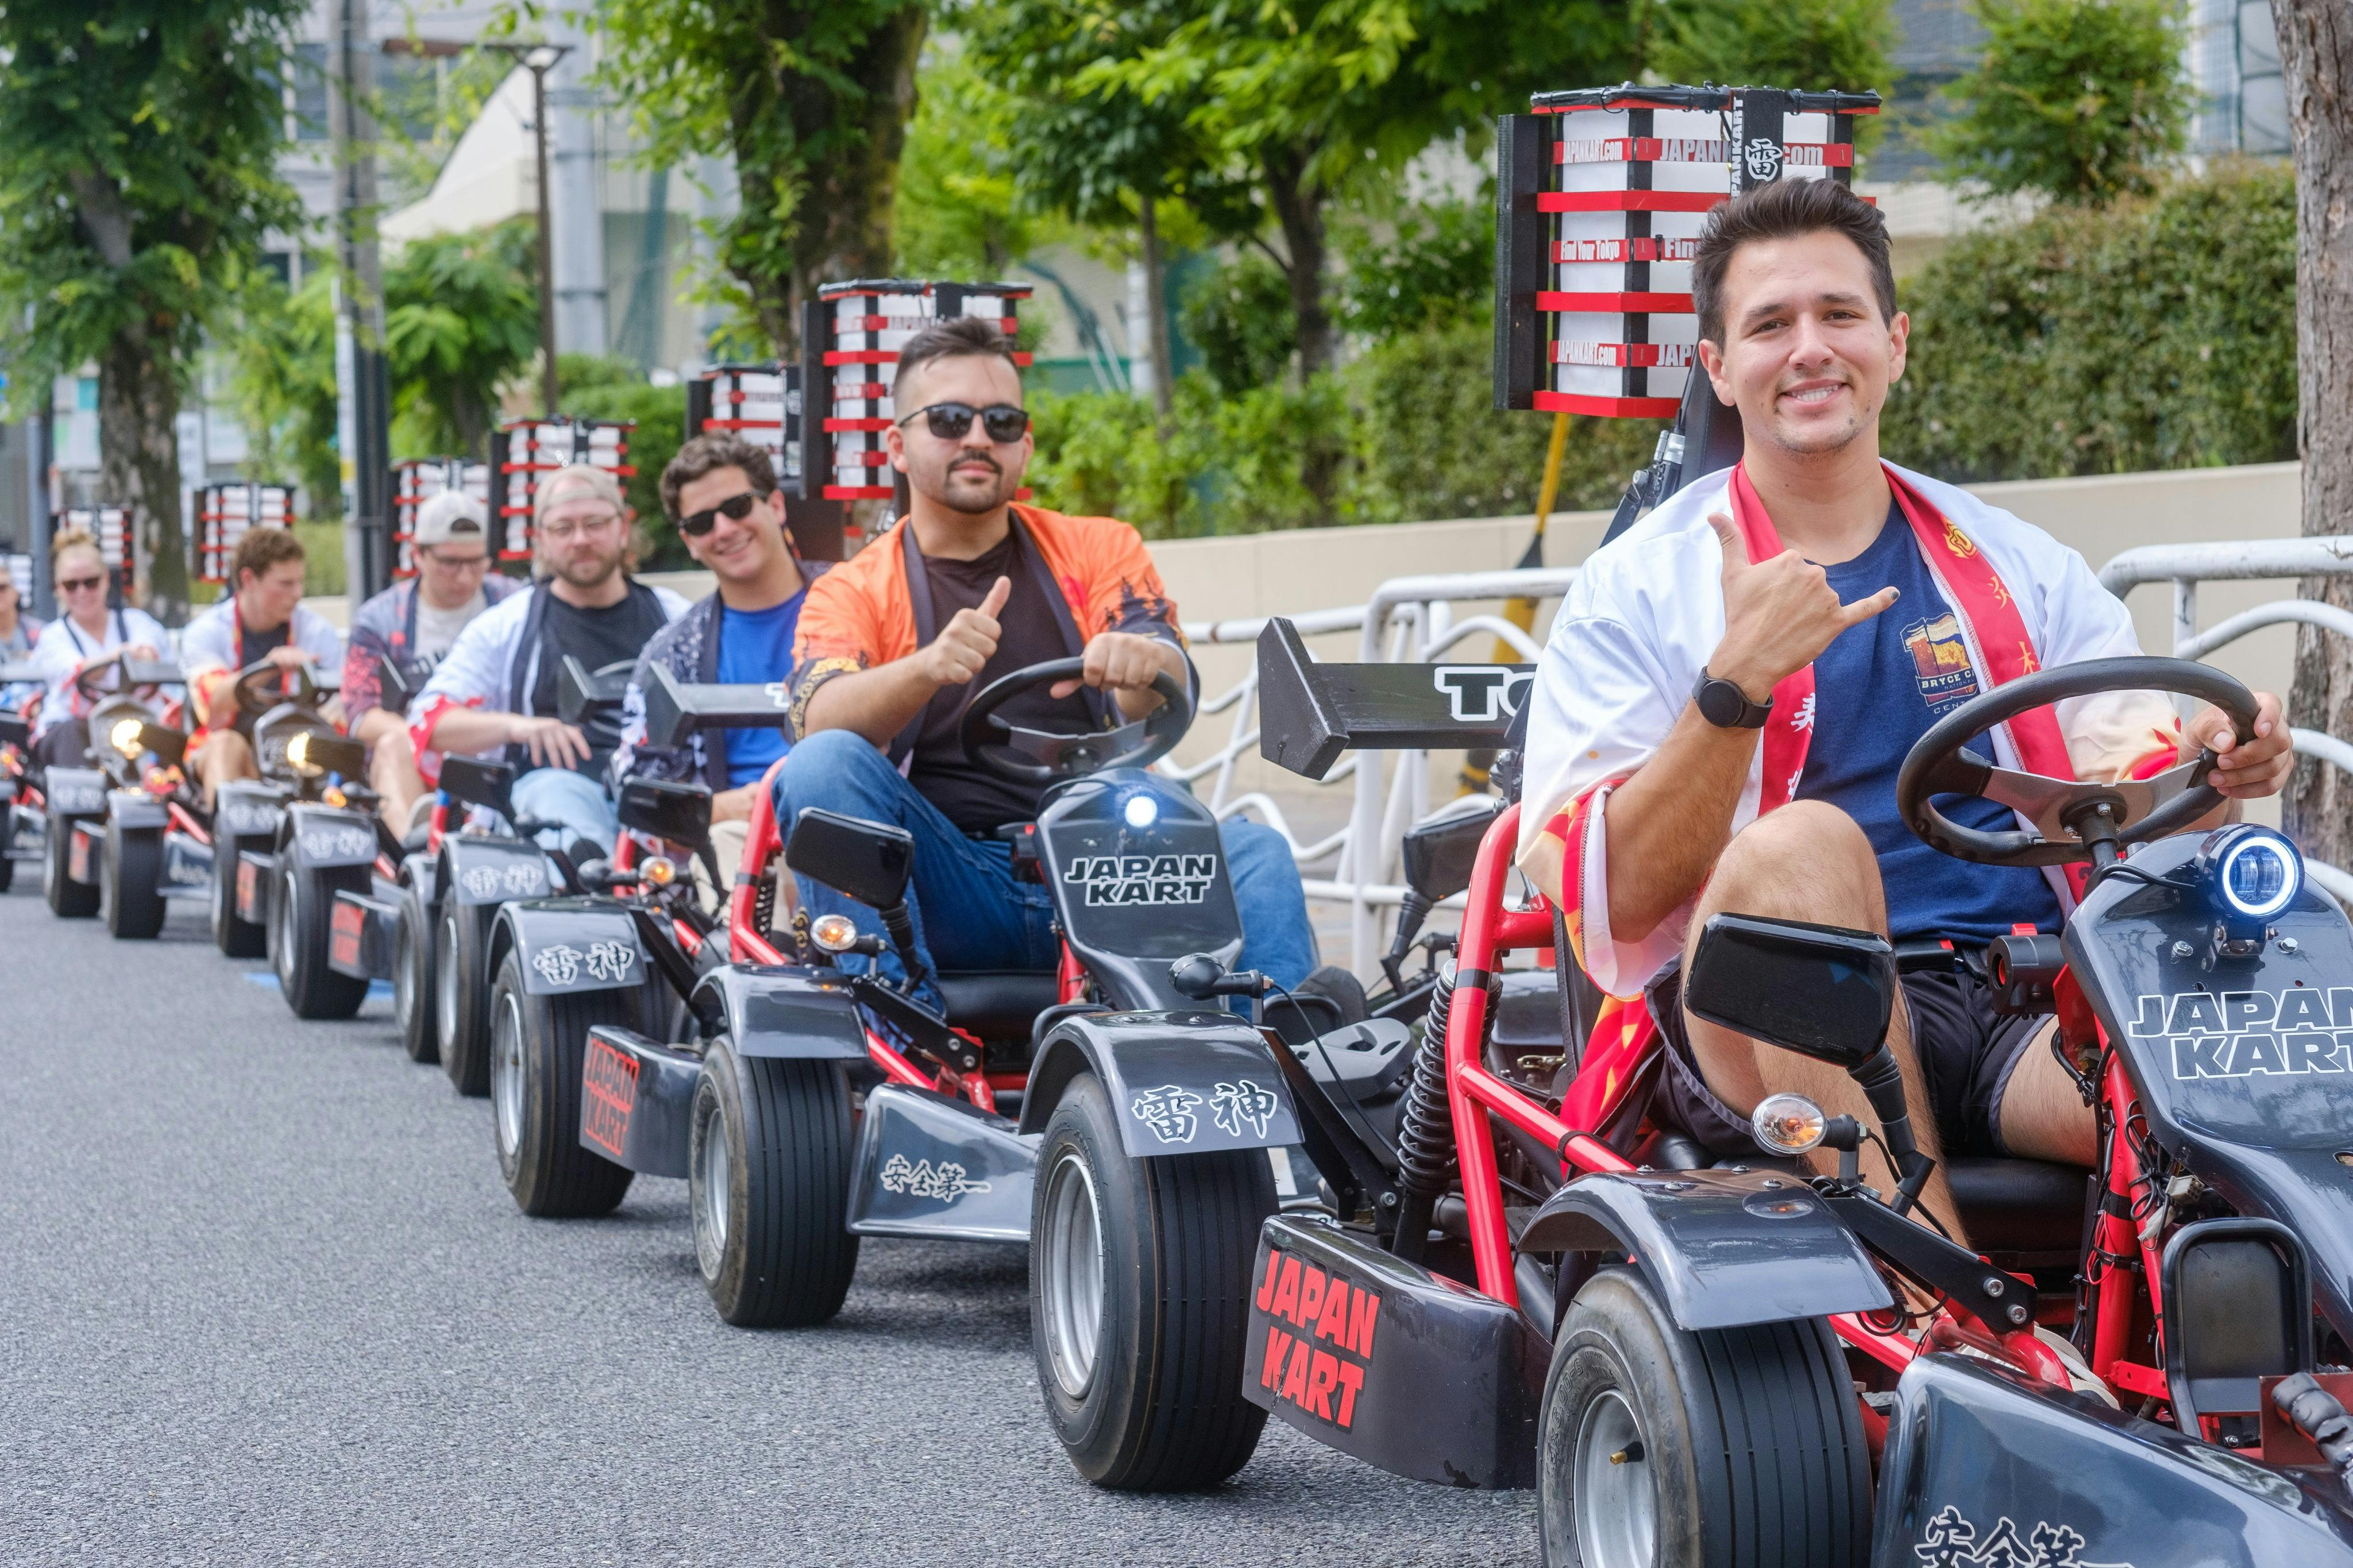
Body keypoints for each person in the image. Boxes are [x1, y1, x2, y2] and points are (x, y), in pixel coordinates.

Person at [1519, 177, 2293, 1244]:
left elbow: (2128, 800)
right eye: (1769, 326)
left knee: (2283, 1064)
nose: (1809, 350)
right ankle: (1942, 1328)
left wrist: (2216, 768)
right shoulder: (1639, 584)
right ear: (1717, 369)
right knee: (1804, 845)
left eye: (1838, 315)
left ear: (1894, 342)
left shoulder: (2021, 562)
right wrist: (1732, 688)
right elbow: (1605, 900)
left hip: (2026, 1003)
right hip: (1758, 1020)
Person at [774, 314, 1318, 1010]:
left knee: (1257, 854)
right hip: (947, 883)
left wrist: (1142, 666)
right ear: (898, 446)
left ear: (1024, 447)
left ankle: (1277, 1066)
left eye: (1000, 421)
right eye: (948, 419)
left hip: (1113, 870)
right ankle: (896, 1027)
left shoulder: (1098, 547)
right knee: (820, 766)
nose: (976, 438)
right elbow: (816, 717)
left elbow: (1167, 670)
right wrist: (927, 667)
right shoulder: (852, 589)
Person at [408, 464, 687, 856]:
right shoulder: (506, 625)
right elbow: (428, 723)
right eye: (563, 528)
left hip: (661, 800)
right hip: (553, 799)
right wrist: (518, 727)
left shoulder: (678, 620)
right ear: (540, 540)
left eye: (595, 524)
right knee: (567, 815)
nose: (581, 539)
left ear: (623, 529)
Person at [615, 432, 820, 890]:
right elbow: (635, 797)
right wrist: (726, 806)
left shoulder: (854, 601)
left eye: (738, 507)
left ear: (776, 506)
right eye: (704, 522)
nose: (725, 529)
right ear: (689, 541)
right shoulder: (671, 654)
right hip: (740, 854)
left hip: (852, 825)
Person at [343, 491, 518, 835]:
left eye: (477, 562)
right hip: (416, 759)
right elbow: (361, 716)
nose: (466, 577)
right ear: (418, 555)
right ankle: (418, 849)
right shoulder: (377, 620)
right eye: (450, 563)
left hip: (495, 753)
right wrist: (432, 735)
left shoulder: (514, 605)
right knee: (392, 744)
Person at [182, 527, 345, 808]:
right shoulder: (205, 632)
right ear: (249, 580)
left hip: (301, 755)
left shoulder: (319, 633)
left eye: (300, 583)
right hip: (233, 751)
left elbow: (340, 712)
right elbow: (215, 702)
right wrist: (270, 668)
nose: (297, 594)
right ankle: (231, 841)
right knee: (225, 744)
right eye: (285, 584)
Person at [24, 528, 169, 771]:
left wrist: (135, 656)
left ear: (106, 580)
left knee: (175, 739)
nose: (82, 592)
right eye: (72, 585)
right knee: (69, 735)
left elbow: (151, 656)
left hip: (137, 728)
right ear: (58, 588)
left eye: (90, 582)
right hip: (77, 732)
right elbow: (81, 672)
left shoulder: (136, 621)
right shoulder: (53, 637)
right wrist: (120, 656)